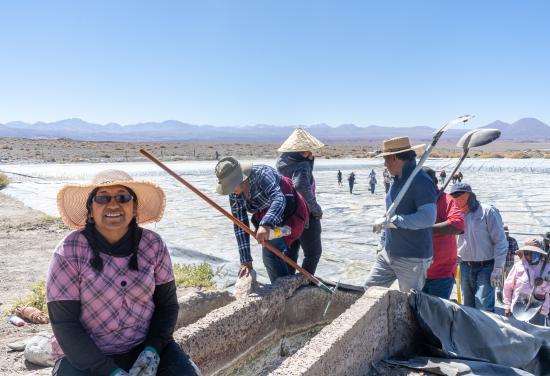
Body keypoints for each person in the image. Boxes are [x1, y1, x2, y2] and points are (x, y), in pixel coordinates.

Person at [47, 170, 200, 376]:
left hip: (143, 347)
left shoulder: (153, 245)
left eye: (122, 197)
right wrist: (110, 371)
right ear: (90, 210)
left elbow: (167, 305)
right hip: (85, 355)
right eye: (102, 198)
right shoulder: (69, 251)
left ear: (134, 207)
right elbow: (65, 324)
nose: (113, 205)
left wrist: (152, 350)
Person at [215, 156, 308, 282]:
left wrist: (265, 225)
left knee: (270, 253)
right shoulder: (235, 194)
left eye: (231, 186)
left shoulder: (262, 174)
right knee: (274, 253)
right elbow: (240, 225)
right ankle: (285, 286)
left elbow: (278, 199)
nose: (230, 191)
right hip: (272, 219)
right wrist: (245, 260)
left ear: (239, 179)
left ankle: (283, 291)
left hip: (292, 215)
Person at [364, 137, 436, 292]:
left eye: (385, 159)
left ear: (394, 158)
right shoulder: (397, 180)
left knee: (409, 303)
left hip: (412, 258)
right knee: (369, 291)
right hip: (388, 253)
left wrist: (396, 221)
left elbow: (428, 218)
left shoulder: (420, 181)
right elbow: (389, 213)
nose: (384, 164)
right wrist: (382, 242)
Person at [451, 182, 508, 312]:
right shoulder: (456, 214)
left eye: (458, 195)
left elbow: (500, 242)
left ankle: (486, 332)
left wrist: (498, 269)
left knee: (483, 306)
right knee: (468, 306)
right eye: (453, 195)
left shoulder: (488, 211)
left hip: (486, 267)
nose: (454, 198)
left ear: (468, 195)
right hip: (465, 266)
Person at [276, 128, 324, 275]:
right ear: (296, 152)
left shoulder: (281, 164)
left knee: (290, 252)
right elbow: (301, 186)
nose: (310, 154)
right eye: (305, 151)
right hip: (305, 216)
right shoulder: (302, 164)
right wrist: (315, 209)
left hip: (286, 216)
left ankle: (288, 283)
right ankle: (305, 284)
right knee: (313, 253)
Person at [421, 167, 464, 299]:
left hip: (441, 273)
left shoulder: (447, 200)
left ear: (434, 182)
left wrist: (426, 230)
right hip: (415, 272)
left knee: (435, 314)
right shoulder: (415, 200)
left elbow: (458, 224)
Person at [503, 238, 550, 326]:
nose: (530, 256)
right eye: (527, 253)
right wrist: (507, 305)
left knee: (535, 336)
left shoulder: (547, 268)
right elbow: (508, 287)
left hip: (538, 309)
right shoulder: (518, 267)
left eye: (534, 253)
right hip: (518, 306)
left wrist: (543, 284)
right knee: (516, 333)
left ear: (540, 254)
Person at [496, 225, 519, 303]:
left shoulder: (513, 240)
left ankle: (508, 296)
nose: (506, 234)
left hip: (509, 263)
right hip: (501, 264)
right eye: (505, 232)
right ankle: (500, 296)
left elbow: (516, 251)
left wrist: (507, 250)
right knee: (500, 281)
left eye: (507, 232)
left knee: (509, 280)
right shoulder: (498, 240)